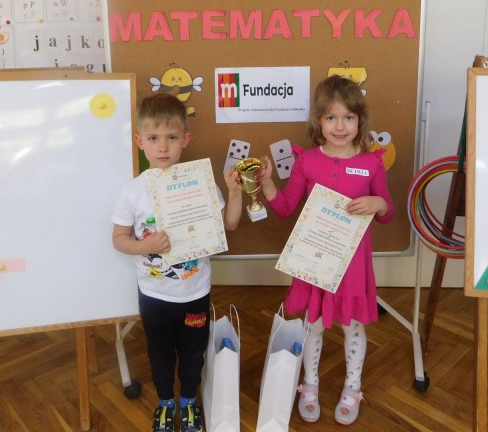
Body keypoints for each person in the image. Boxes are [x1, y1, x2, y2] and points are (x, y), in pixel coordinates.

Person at [259, 75, 393, 426]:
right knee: (313, 324)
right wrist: (268, 184)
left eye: (348, 117)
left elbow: (388, 212)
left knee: (352, 326)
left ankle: (353, 386)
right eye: (332, 117)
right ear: (319, 120)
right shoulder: (307, 161)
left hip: (352, 266)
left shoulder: (372, 163)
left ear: (360, 120)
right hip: (315, 261)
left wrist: (378, 202)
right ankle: (311, 383)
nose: (340, 126)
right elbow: (286, 208)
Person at [112, 93, 243, 432]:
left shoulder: (200, 183)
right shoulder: (132, 191)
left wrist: (234, 192)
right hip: (154, 294)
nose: (163, 147)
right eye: (153, 138)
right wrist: (145, 246)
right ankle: (165, 403)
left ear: (185, 139)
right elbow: (119, 238)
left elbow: (228, 225)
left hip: (195, 292)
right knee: (159, 353)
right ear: (140, 141)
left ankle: (188, 402)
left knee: (192, 353)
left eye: (171, 137)